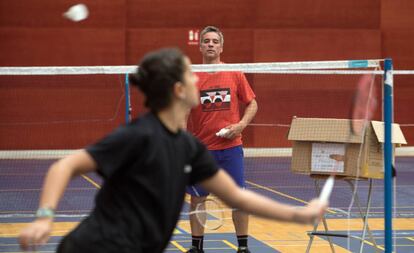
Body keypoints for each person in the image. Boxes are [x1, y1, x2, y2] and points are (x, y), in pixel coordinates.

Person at [19, 48, 326, 253]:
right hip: (96, 246)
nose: (198, 79)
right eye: (190, 75)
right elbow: (64, 166)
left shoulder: (189, 148)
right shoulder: (138, 136)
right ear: (179, 91)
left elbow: (237, 197)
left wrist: (298, 214)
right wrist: (44, 217)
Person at [186, 26, 258, 253]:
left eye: (214, 41)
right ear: (200, 46)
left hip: (231, 148)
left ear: (221, 47)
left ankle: (243, 248)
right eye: (206, 41)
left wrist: (241, 125)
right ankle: (197, 248)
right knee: (197, 200)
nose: (210, 44)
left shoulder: (234, 72)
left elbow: (253, 103)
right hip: (202, 150)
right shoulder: (190, 76)